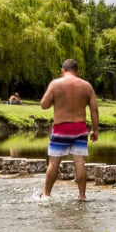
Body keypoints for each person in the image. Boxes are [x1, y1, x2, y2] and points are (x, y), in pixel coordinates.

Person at [38, 59, 99, 200]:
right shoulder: (87, 86)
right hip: (80, 127)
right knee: (79, 161)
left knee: (54, 162)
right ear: (77, 71)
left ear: (62, 70)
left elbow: (44, 105)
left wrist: (57, 98)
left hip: (61, 127)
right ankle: (82, 195)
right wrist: (95, 130)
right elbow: (94, 109)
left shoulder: (55, 84)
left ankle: (46, 194)